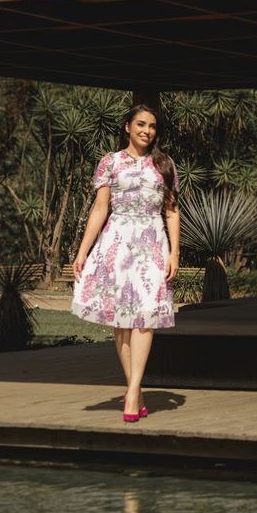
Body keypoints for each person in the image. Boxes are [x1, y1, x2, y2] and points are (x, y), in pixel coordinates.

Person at [72, 104, 180, 422]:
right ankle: (136, 389)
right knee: (121, 321)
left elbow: (172, 211)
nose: (147, 131)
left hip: (152, 242)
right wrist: (82, 251)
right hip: (116, 242)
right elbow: (99, 209)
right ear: (127, 127)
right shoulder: (110, 161)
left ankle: (132, 392)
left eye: (152, 127)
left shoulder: (164, 164)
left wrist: (175, 252)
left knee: (145, 316)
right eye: (141, 124)